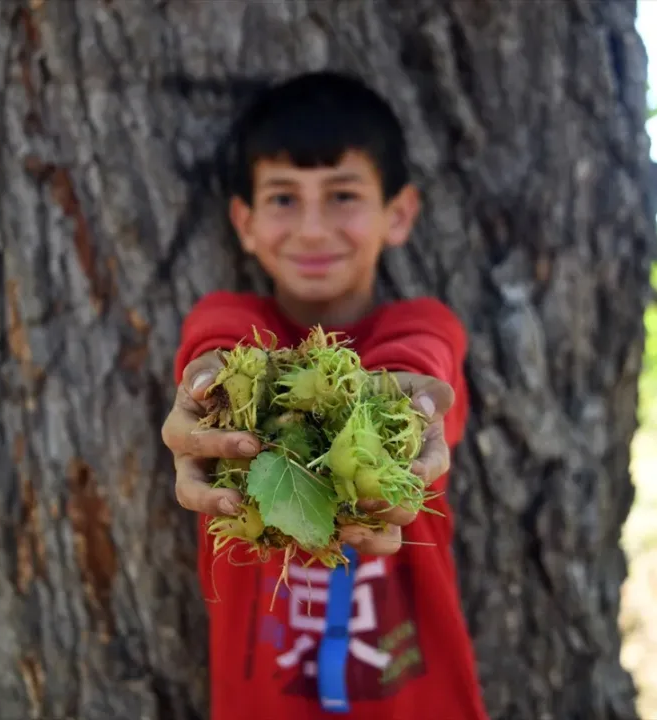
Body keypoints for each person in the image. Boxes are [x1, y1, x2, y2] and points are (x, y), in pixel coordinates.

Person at [160, 70, 489, 720]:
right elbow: (214, 338)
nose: (312, 229)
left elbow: (424, 354)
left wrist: (408, 398)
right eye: (283, 199)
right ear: (244, 222)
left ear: (398, 215)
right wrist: (213, 377)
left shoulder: (421, 328)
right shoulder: (230, 324)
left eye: (343, 195)